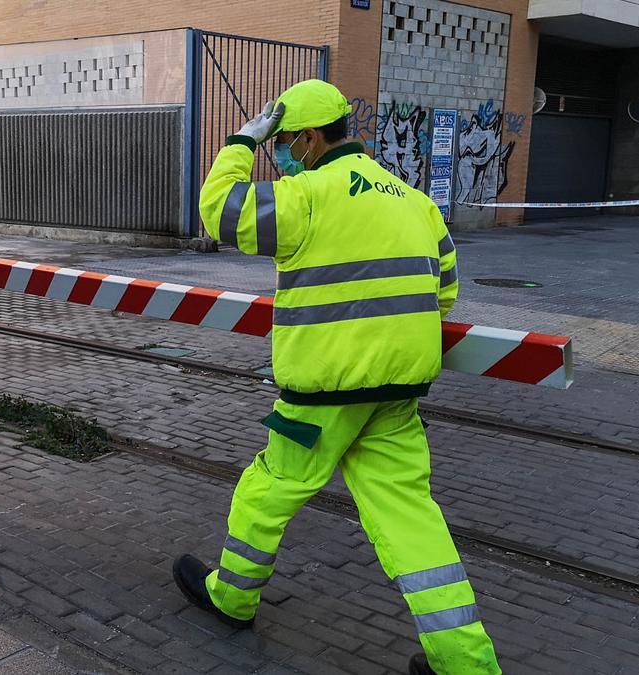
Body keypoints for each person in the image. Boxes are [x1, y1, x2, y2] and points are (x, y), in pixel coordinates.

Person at [171, 80, 500, 675]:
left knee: (269, 489)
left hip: (319, 398)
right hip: (397, 397)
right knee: (409, 517)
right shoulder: (413, 200)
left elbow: (219, 212)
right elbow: (444, 291)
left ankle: (232, 597)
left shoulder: (304, 196)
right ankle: (466, 664)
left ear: (309, 137)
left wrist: (243, 139)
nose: (284, 154)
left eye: (286, 143)